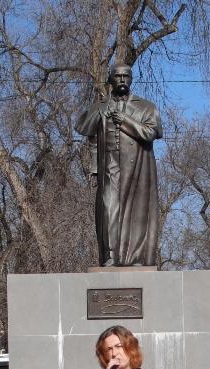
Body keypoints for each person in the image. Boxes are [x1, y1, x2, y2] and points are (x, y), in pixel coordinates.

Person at [75, 64, 163, 267]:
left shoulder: (146, 107)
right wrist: (94, 168)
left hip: (138, 166)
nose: (122, 80)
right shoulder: (100, 106)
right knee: (108, 208)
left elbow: (152, 132)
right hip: (110, 165)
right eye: (118, 76)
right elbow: (91, 137)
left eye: (126, 76)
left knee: (137, 213)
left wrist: (125, 121)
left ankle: (136, 258)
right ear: (111, 80)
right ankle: (111, 255)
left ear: (131, 79)